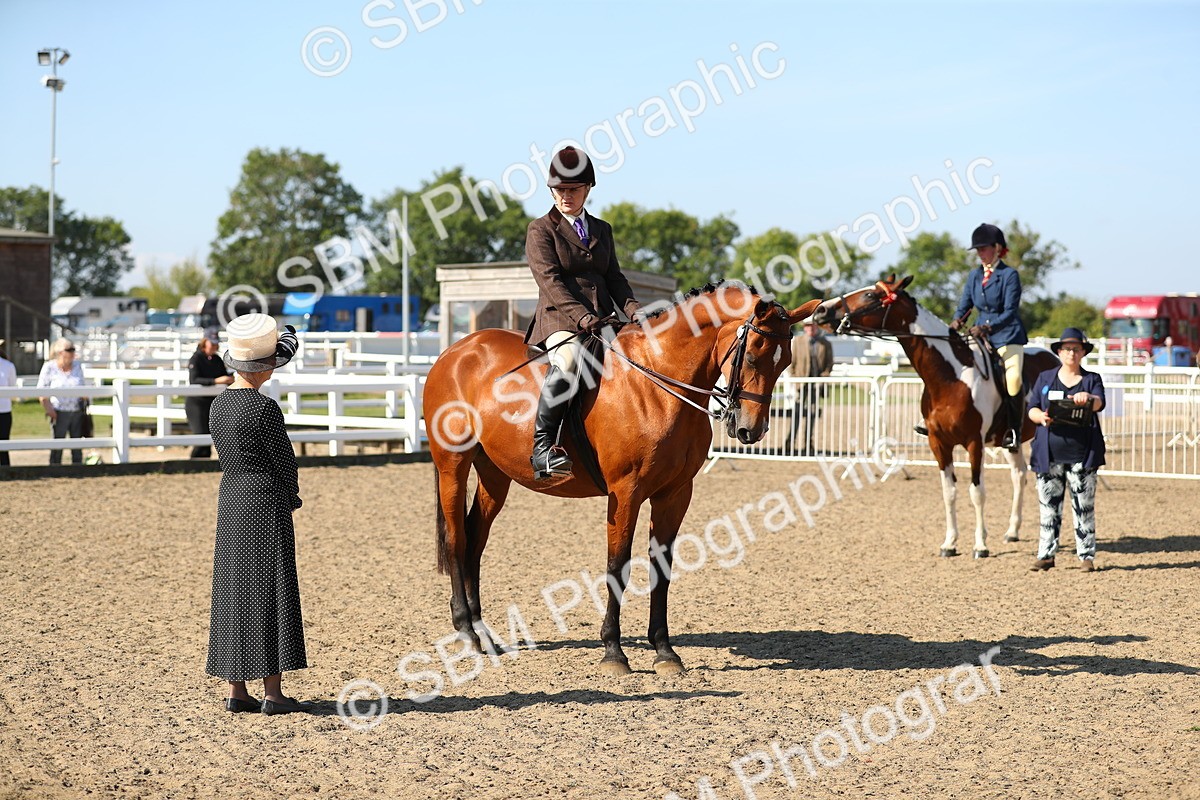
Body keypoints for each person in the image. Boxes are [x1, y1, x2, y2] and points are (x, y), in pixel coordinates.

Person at [205, 314, 309, 715]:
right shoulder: (264, 409)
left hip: (231, 500)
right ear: (263, 367)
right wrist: (292, 497)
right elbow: (284, 462)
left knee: (234, 590)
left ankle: (237, 689)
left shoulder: (219, 407)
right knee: (271, 589)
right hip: (264, 502)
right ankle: (273, 693)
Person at [523, 145, 642, 480]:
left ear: (588, 188)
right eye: (559, 190)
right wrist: (582, 317)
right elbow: (550, 281)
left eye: (572, 190)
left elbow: (614, 277)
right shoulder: (540, 230)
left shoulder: (602, 229)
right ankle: (543, 448)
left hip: (603, 319)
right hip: (561, 319)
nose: (565, 196)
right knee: (570, 360)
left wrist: (635, 311)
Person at [919, 223, 1028, 450]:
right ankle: (931, 418)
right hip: (979, 335)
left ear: (997, 248)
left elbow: (1009, 312)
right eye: (977, 250)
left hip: (1007, 336)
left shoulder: (1009, 276)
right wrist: (957, 321)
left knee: (1014, 378)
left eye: (984, 248)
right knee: (951, 367)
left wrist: (987, 327)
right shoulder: (974, 275)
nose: (980, 253)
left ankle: (1014, 431)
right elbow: (965, 305)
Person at [1026, 328, 1106, 572]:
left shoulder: (1092, 379)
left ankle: (1086, 556)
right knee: (1048, 508)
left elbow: (1100, 403)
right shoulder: (1045, 378)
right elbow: (1032, 409)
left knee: (1084, 507)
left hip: (1082, 455)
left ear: (1082, 353)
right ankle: (1046, 554)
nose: (1071, 353)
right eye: (1067, 349)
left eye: (1076, 349)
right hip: (1048, 454)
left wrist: (1088, 398)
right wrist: (1040, 417)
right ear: (1059, 352)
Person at [37, 337, 87, 465]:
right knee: (57, 443)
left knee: (77, 445)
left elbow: (82, 386)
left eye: (73, 350)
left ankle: (78, 468)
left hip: (76, 410)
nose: (72, 353)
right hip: (58, 411)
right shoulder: (49, 367)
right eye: (69, 350)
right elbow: (41, 391)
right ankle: (55, 468)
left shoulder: (77, 366)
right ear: (60, 352)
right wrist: (49, 409)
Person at [186, 327, 233, 459]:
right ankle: (193, 463)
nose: (214, 346)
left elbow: (223, 375)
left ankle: (203, 464)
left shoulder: (217, 360)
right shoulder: (196, 359)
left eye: (216, 343)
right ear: (205, 342)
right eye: (212, 343)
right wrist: (215, 381)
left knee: (210, 437)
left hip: (211, 403)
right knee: (201, 436)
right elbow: (194, 379)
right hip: (197, 403)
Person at [787, 321, 833, 455]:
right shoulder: (797, 341)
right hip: (801, 384)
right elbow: (792, 362)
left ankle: (808, 443)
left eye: (812, 325)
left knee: (812, 414)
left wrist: (822, 379)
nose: (810, 328)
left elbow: (829, 364)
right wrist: (796, 379)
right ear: (804, 328)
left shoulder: (825, 343)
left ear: (816, 327)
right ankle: (790, 442)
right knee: (796, 413)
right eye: (807, 326)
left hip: (816, 385)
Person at [0, 339, 15, 467]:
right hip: (4, 408)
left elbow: (12, 387)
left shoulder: (8, 366)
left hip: (4, 410)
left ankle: (5, 469)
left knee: (4, 442)